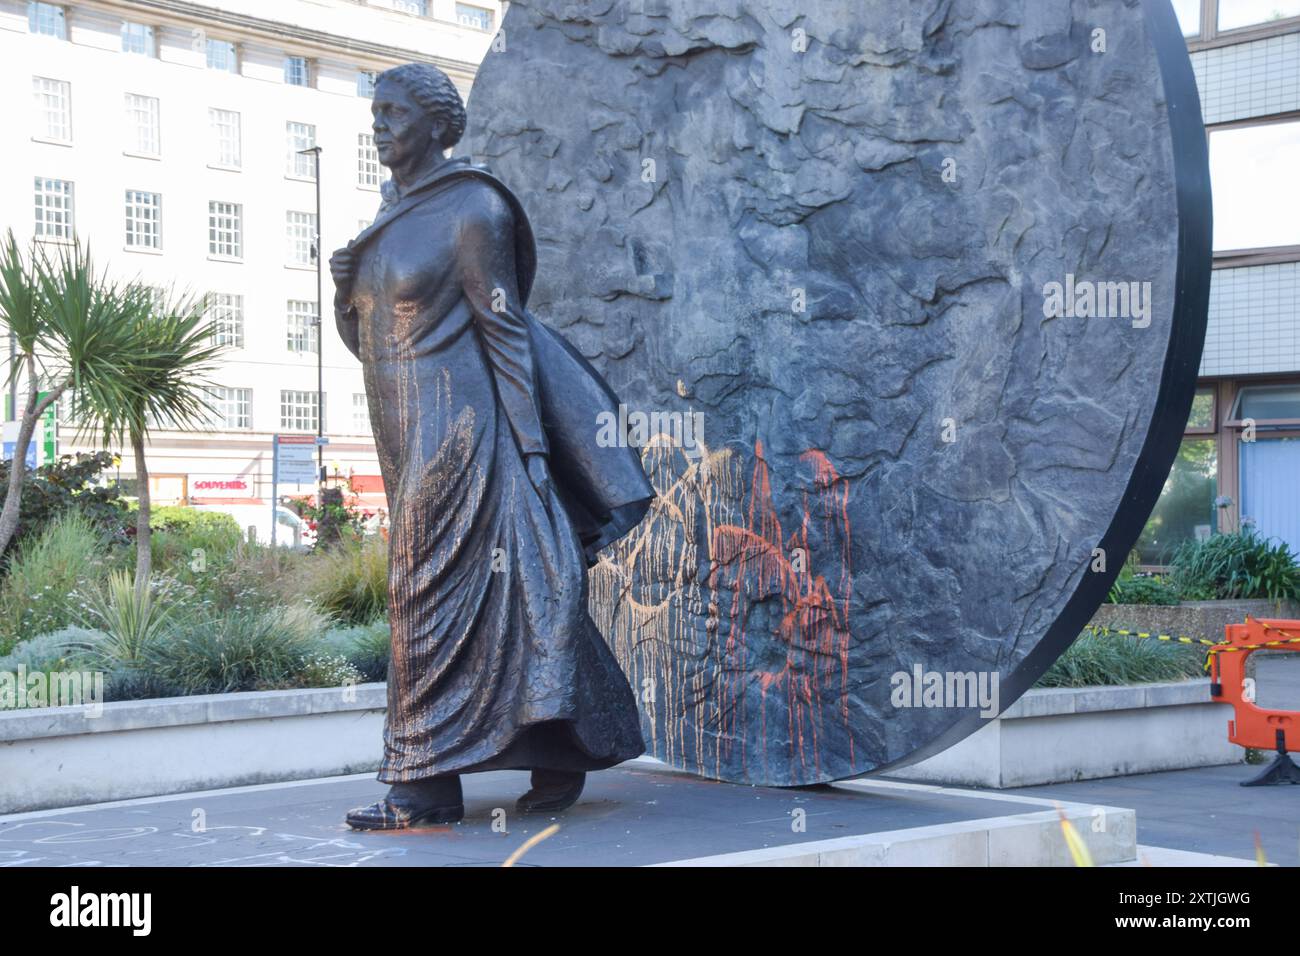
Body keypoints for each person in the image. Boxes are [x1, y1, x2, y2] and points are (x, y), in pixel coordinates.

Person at [330, 63, 653, 830]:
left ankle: (422, 786)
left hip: (466, 433)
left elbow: (504, 329)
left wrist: (536, 454)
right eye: (374, 112)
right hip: (404, 433)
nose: (379, 125)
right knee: (513, 597)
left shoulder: (473, 208)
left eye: (393, 113)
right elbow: (372, 343)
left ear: (437, 126)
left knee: (421, 592)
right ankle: (564, 747)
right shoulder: (387, 216)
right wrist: (343, 293)